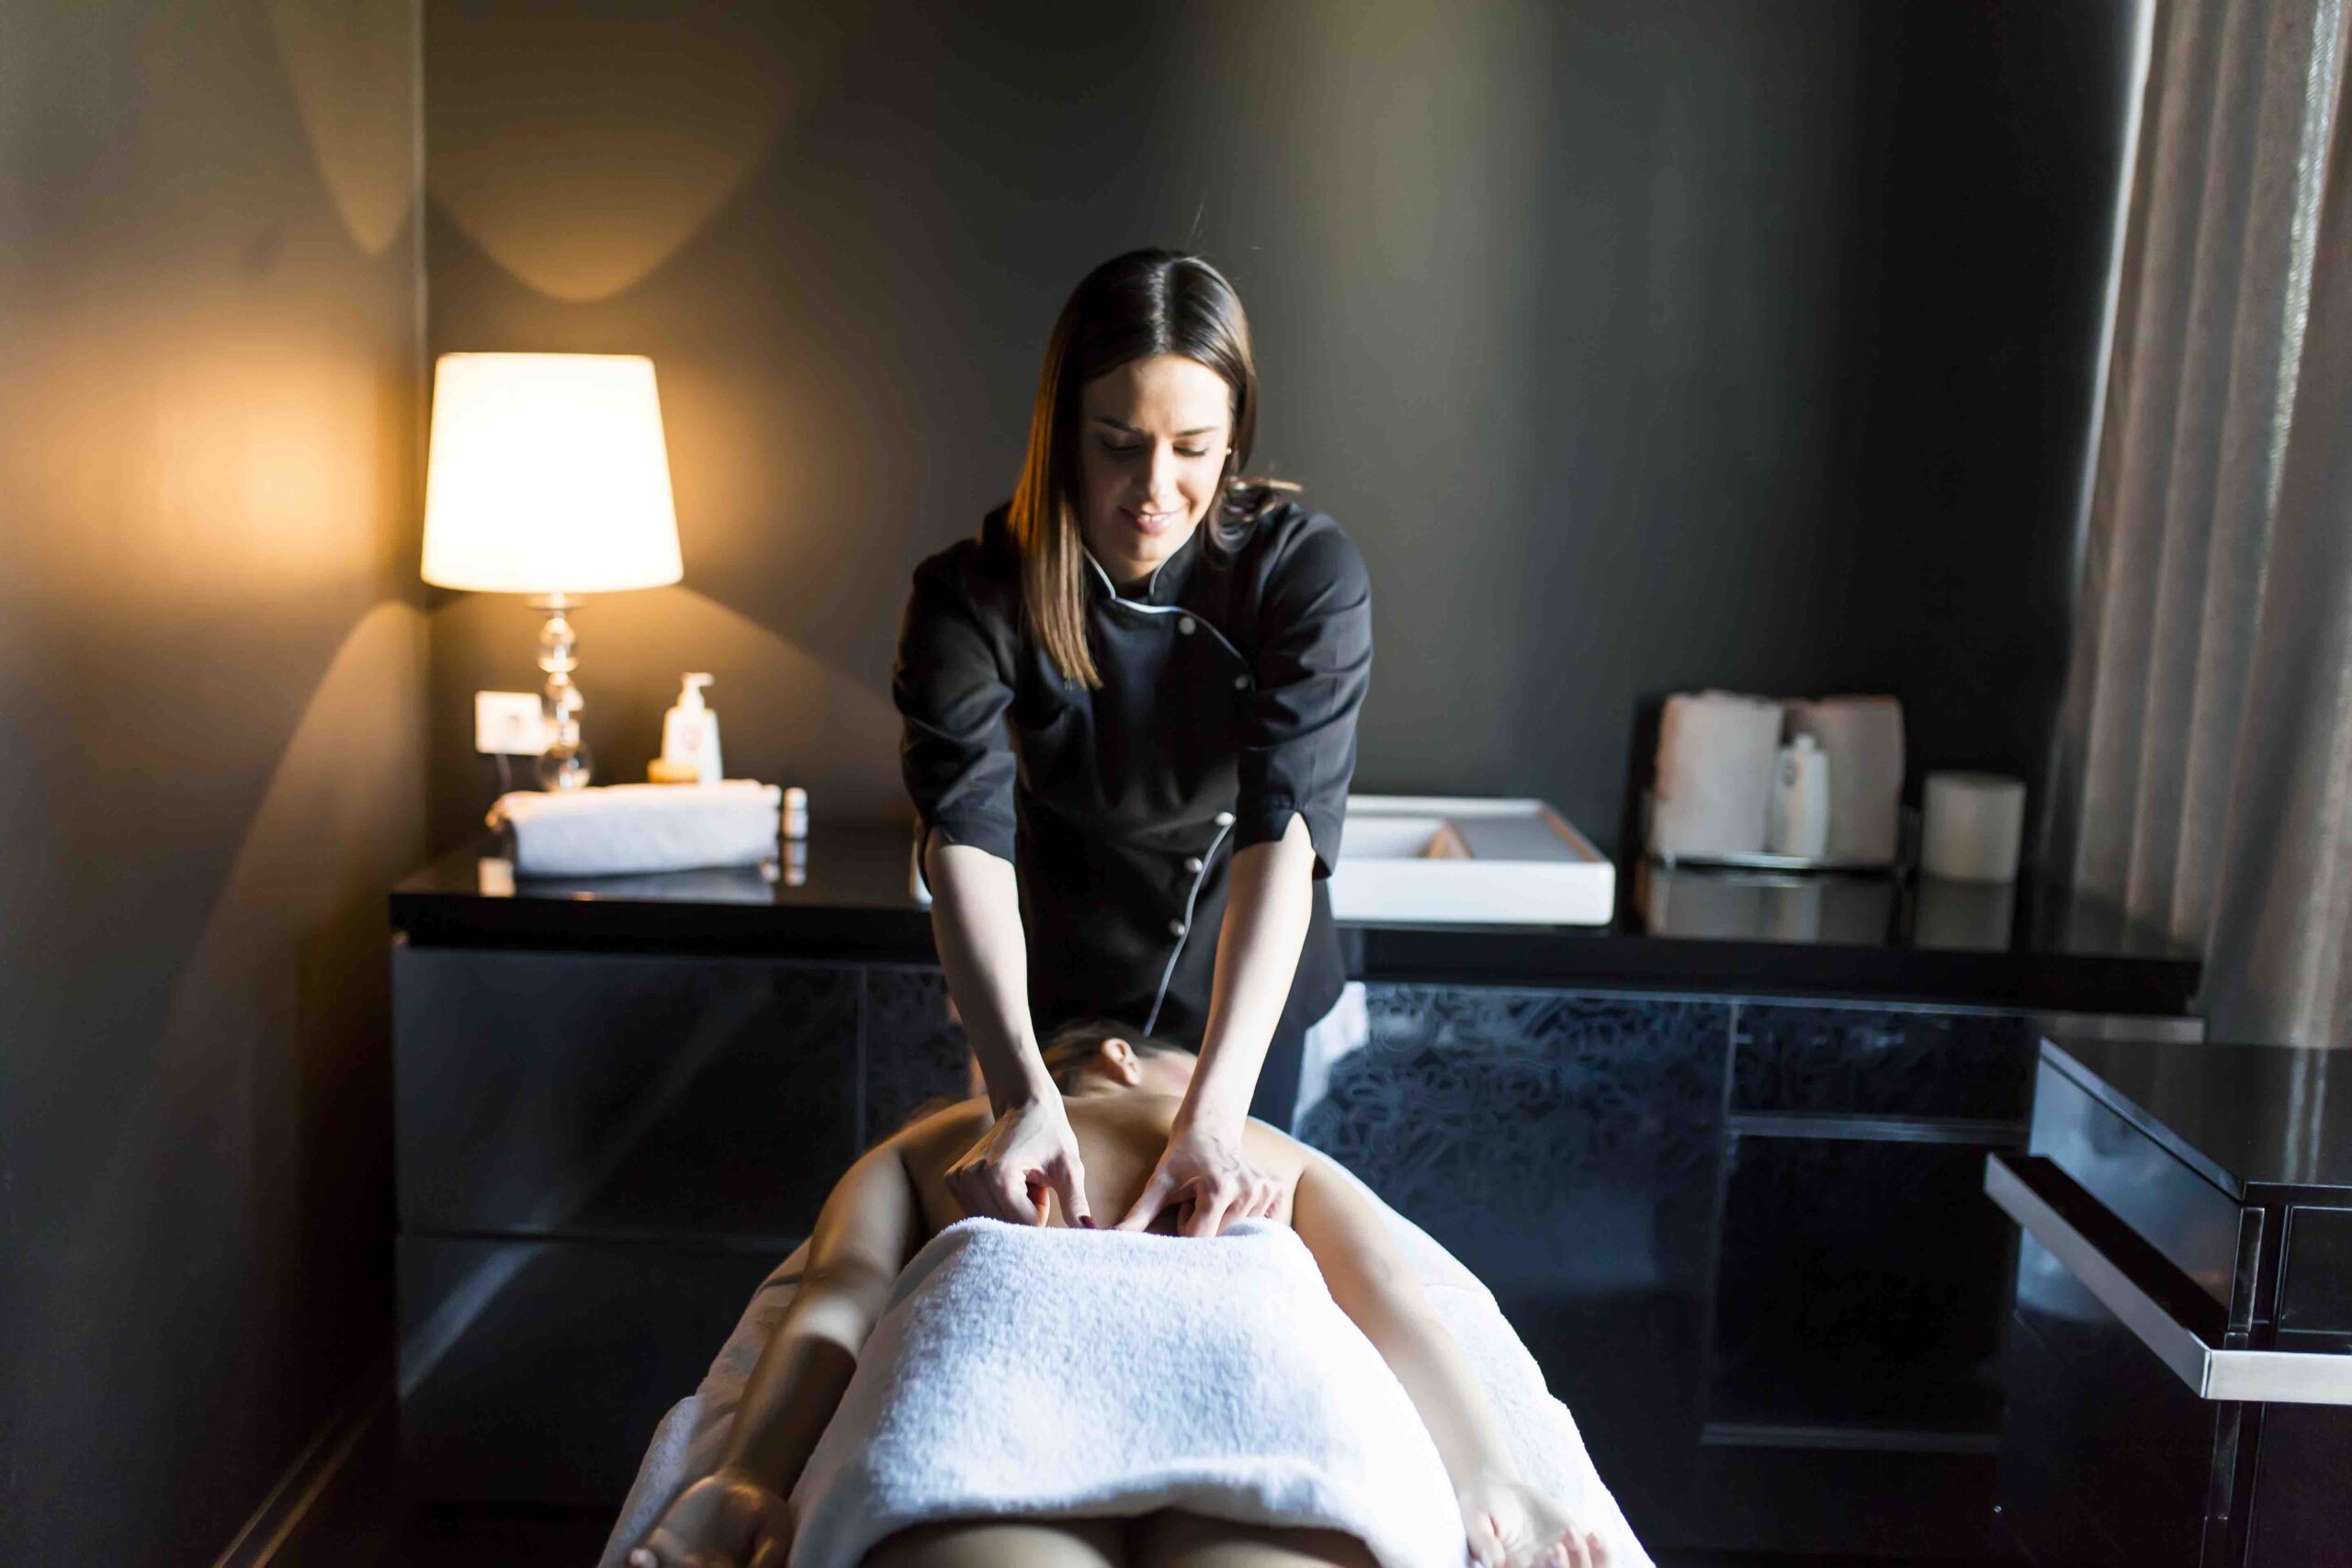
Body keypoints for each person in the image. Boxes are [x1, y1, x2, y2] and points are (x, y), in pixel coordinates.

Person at [628, 1021, 1611, 1568]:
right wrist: (1493, 1478)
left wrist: (747, 1476)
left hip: (991, 1387)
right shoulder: (1272, 1149)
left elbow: (832, 1303)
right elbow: (1394, 1299)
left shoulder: (927, 1147)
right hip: (1257, 1384)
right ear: (1119, 1058)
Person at [895, 249, 1373, 1238]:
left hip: (1240, 973)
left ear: (1234, 436)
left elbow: (1282, 830)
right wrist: (1020, 1084)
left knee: (1229, 1254)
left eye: (1193, 447)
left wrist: (1218, 1107)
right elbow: (966, 841)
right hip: (1054, 978)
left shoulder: (1300, 573)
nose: (1155, 488)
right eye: (1118, 443)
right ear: (1062, 435)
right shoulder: (970, 595)